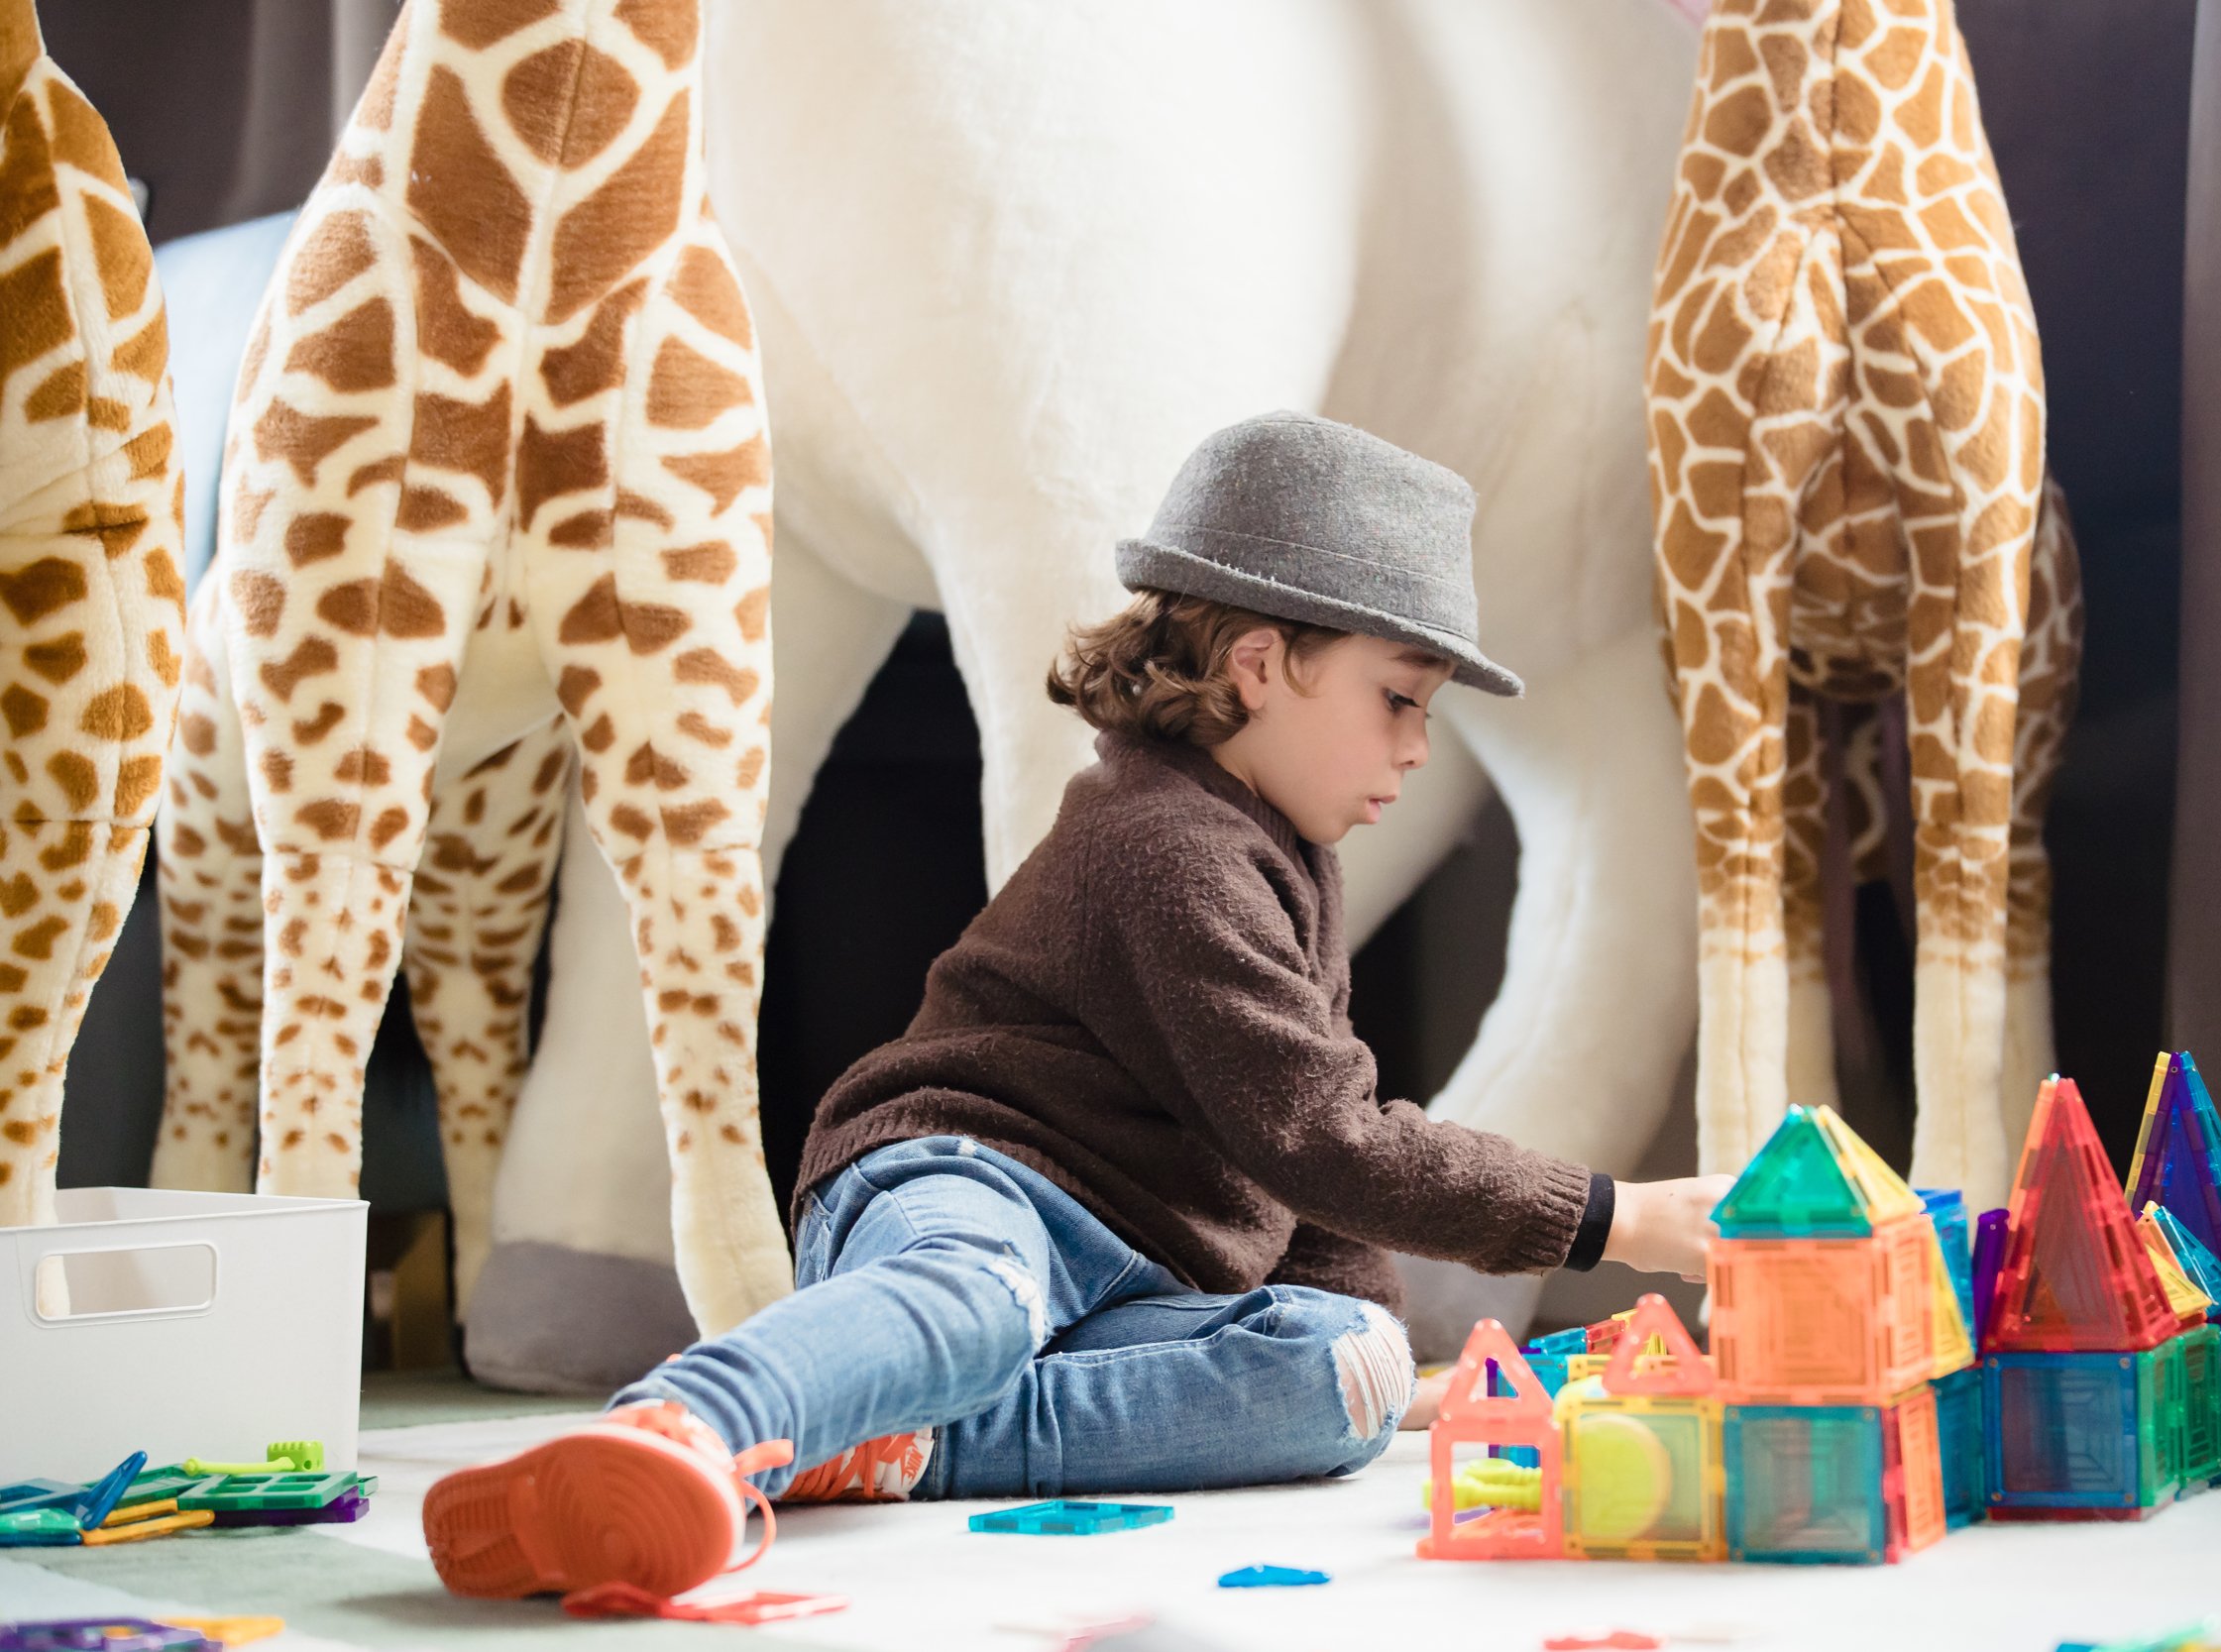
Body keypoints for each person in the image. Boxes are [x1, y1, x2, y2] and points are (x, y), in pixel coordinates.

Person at [421, 411, 1727, 1600]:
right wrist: (1615, 1216)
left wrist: (1391, 1358)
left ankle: (879, 1437)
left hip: (1128, 1280)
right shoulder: (1169, 850)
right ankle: (685, 1424)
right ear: (1264, 664)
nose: (1415, 751)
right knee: (980, 1302)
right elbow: (1324, 1139)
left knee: (1349, 1375)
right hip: (978, 1185)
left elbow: (1309, 1164)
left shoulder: (1292, 861)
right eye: (1398, 700)